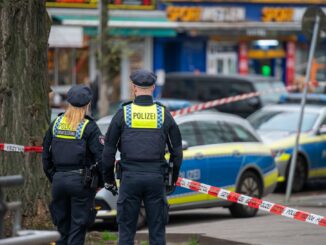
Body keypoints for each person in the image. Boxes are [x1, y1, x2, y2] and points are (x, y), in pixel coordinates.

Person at [102, 69, 183, 245]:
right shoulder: (163, 114)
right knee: (157, 232)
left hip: (129, 178)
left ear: (133, 88)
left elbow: (108, 153)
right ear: (153, 87)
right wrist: (172, 179)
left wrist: (108, 180)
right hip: (156, 178)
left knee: (126, 232)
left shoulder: (123, 114)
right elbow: (177, 153)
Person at [42, 85, 104, 245]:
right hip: (80, 183)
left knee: (62, 230)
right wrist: (100, 183)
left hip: (59, 181)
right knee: (77, 229)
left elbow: (45, 156)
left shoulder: (56, 124)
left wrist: (54, 177)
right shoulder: (89, 127)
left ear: (68, 102)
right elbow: (101, 158)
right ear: (88, 104)